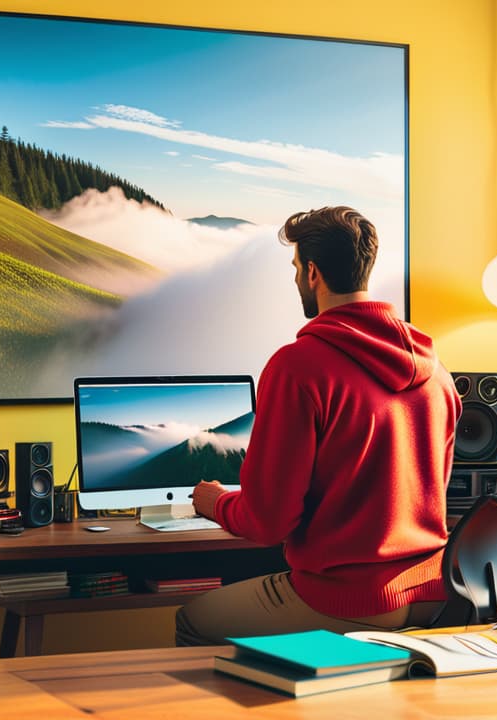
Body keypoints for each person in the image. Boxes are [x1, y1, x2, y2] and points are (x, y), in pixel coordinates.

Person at [175, 206, 460, 646]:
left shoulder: (298, 367)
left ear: (312, 273)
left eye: (294, 268)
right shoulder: (437, 371)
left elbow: (268, 522)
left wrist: (214, 501)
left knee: (193, 620)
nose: (295, 280)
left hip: (347, 600)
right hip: (434, 593)